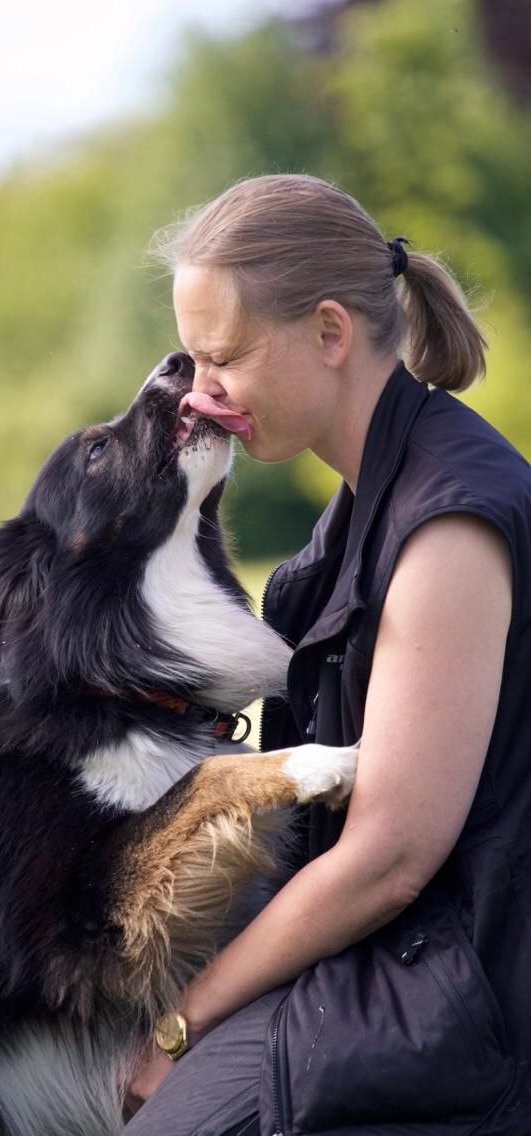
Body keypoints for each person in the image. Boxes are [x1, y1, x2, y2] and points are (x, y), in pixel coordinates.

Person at [122, 174, 531, 1135]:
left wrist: (179, 1023)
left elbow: (390, 856)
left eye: (223, 357)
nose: (201, 393)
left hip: (448, 1000)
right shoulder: (369, 497)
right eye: (192, 359)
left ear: (331, 333)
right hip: (376, 962)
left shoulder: (447, 525)